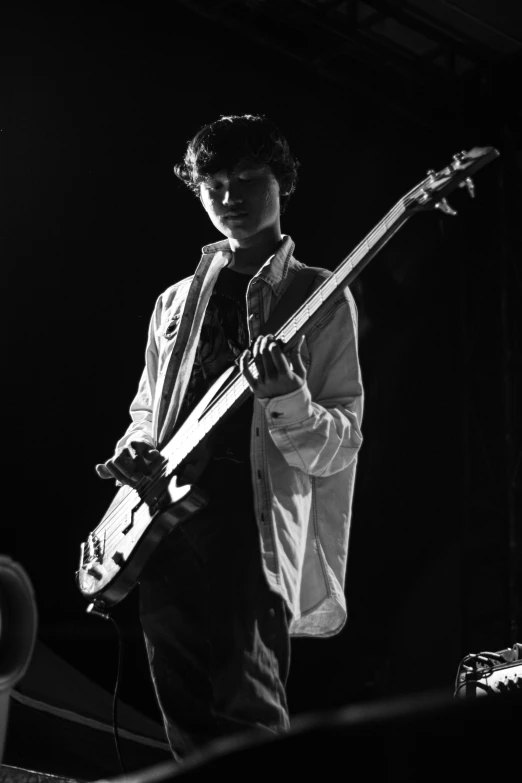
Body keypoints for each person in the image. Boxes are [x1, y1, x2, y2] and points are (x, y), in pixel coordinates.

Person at [95, 114, 363, 761]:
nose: (230, 196)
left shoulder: (320, 295)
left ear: (283, 182)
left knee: (249, 707)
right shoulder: (172, 302)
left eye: (247, 178)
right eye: (213, 183)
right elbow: (146, 409)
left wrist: (287, 397)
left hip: (251, 526)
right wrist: (136, 447)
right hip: (161, 527)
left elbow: (342, 439)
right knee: (182, 710)